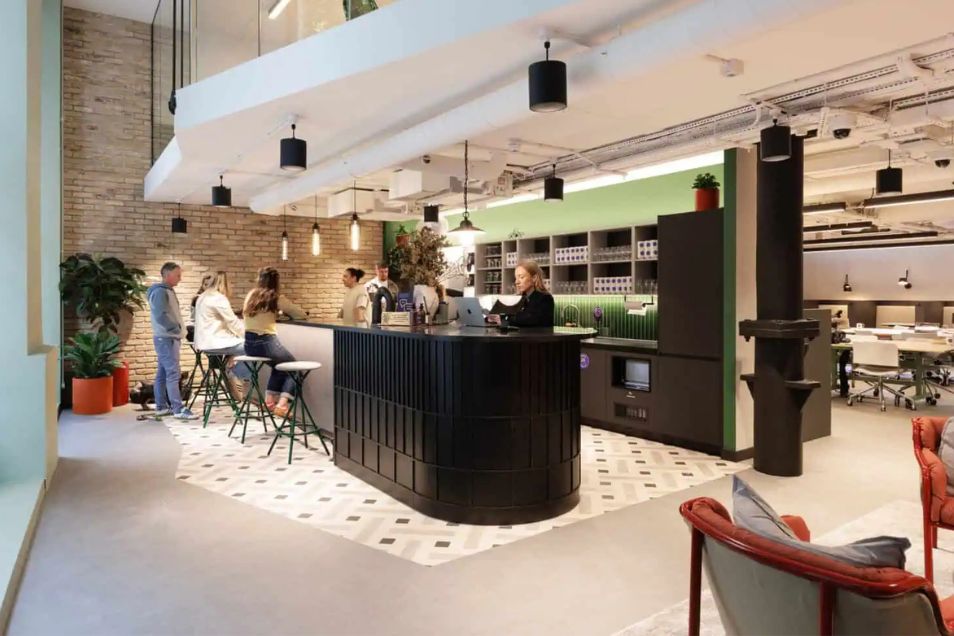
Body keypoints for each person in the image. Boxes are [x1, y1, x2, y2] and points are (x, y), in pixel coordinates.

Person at [243, 267, 307, 417]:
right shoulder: (276, 297)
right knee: (295, 369)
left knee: (278, 367)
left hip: (249, 344)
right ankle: (283, 405)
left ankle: (269, 401)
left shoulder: (251, 295)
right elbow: (300, 314)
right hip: (266, 342)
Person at [147, 262, 197, 419]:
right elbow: (161, 315)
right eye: (178, 275)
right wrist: (175, 329)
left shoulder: (166, 291)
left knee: (163, 373)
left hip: (166, 338)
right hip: (167, 338)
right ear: (167, 275)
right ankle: (178, 409)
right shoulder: (161, 292)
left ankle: (162, 406)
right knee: (173, 373)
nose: (180, 279)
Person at [194, 271, 249, 401]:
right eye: (230, 283)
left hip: (203, 342)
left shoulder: (203, 296)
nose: (232, 286)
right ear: (225, 283)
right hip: (215, 342)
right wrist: (248, 337)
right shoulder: (218, 298)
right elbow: (233, 322)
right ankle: (235, 373)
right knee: (252, 346)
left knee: (239, 347)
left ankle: (230, 365)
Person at [487, 260, 554, 327]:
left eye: (521, 277)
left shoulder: (545, 298)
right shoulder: (519, 298)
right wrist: (491, 318)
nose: (517, 282)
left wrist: (504, 318)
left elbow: (530, 320)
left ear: (534, 278)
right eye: (516, 278)